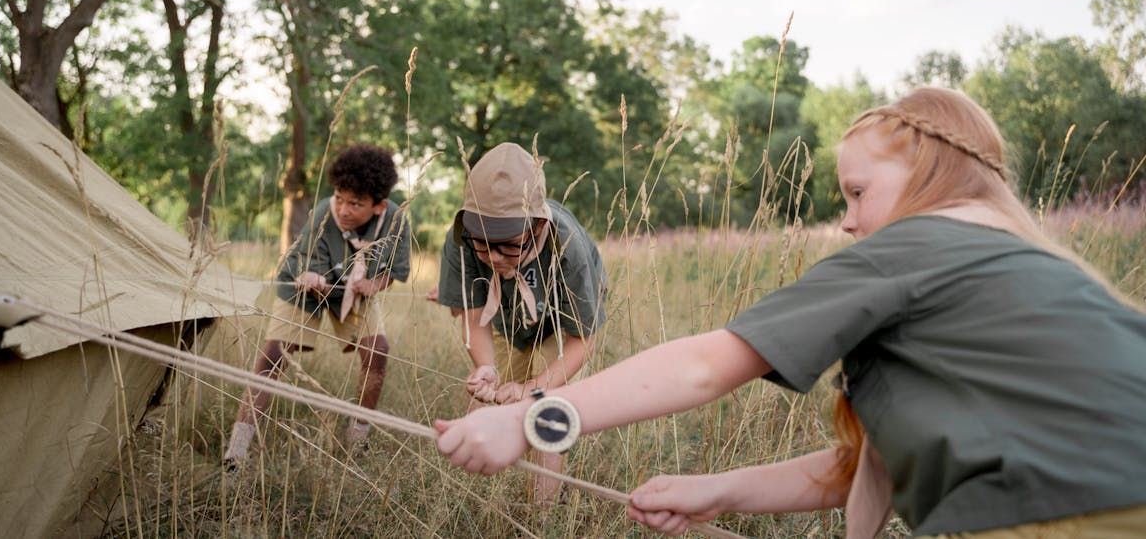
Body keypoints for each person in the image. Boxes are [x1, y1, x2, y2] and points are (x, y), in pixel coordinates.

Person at [433, 88, 1146, 537]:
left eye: (857, 192)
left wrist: (529, 418)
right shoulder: (1025, 273)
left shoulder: (916, 245)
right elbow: (859, 467)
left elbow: (707, 364)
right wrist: (718, 489)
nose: (847, 221)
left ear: (930, 173)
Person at [435, 141, 608, 505]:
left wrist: (536, 386)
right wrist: (485, 366)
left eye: (508, 246)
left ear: (538, 226)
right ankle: (483, 503)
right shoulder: (460, 241)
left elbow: (583, 339)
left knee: (542, 406)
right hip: (505, 321)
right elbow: (471, 314)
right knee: (494, 397)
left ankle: (542, 511)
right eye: (482, 245)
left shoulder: (568, 246)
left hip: (562, 330)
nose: (494, 257)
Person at [224, 144, 410, 467]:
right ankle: (238, 447)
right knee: (273, 354)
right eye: (339, 197)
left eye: (356, 203)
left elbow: (394, 271)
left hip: (355, 292)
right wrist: (309, 276)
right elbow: (305, 257)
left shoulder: (395, 221)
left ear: (379, 206)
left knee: (378, 350)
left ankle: (357, 443)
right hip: (306, 287)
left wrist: (374, 284)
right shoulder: (325, 211)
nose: (344, 209)